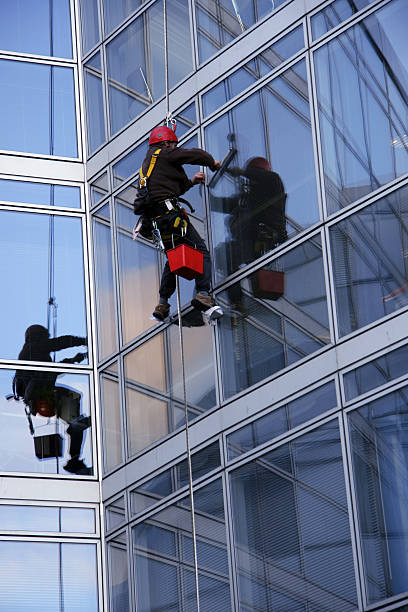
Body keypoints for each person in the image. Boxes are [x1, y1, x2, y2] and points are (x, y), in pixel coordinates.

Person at [137, 126, 220, 321]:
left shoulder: (147, 165)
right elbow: (193, 154)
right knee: (201, 251)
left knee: (173, 258)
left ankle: (162, 303)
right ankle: (203, 293)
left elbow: (170, 187)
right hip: (170, 216)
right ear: (166, 143)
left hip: (155, 221)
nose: (175, 148)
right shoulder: (164, 153)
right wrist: (212, 162)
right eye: (173, 145)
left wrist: (191, 182)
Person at [13, 325, 91, 475]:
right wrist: (84, 341)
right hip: (41, 395)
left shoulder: (29, 352)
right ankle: (74, 429)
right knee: (73, 399)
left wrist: (73, 360)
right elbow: (60, 343)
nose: (47, 340)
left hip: (39, 396)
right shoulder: (33, 346)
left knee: (73, 400)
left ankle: (74, 450)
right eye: (45, 337)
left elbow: (51, 371)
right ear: (39, 336)